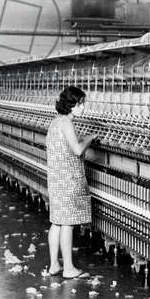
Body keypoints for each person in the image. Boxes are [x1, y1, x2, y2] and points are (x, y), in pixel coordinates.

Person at [46, 86, 98, 278]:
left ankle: (54, 265)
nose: (83, 108)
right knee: (67, 223)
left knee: (56, 222)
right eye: (80, 104)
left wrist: (81, 139)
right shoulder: (67, 123)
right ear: (71, 105)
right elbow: (77, 150)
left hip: (56, 179)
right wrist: (89, 138)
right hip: (68, 180)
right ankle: (68, 268)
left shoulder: (55, 122)